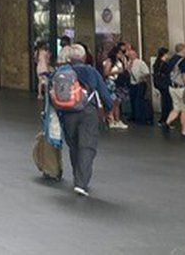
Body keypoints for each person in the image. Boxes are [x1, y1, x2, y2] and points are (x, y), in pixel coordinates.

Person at [54, 44, 113, 196]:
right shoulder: (90, 71)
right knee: (87, 146)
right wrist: (108, 109)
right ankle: (81, 183)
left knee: (74, 145)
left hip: (67, 113)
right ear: (84, 57)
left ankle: (77, 176)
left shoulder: (62, 72)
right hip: (88, 112)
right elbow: (104, 93)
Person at [165, 43, 185, 137]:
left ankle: (167, 123)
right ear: (183, 50)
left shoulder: (171, 60)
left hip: (172, 87)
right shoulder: (183, 61)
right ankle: (184, 131)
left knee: (176, 108)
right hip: (181, 88)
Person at [101, 44, 130, 130]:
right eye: (119, 53)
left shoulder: (120, 61)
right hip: (110, 83)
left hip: (117, 83)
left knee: (117, 102)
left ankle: (116, 119)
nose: (121, 55)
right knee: (113, 102)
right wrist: (117, 72)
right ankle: (111, 119)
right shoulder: (109, 61)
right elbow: (106, 73)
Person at [127, 48, 152, 125]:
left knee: (139, 101)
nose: (131, 56)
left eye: (132, 54)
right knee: (133, 100)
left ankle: (141, 117)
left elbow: (147, 73)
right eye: (130, 55)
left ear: (136, 55)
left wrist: (141, 78)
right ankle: (135, 115)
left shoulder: (141, 63)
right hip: (132, 83)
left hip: (140, 83)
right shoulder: (128, 63)